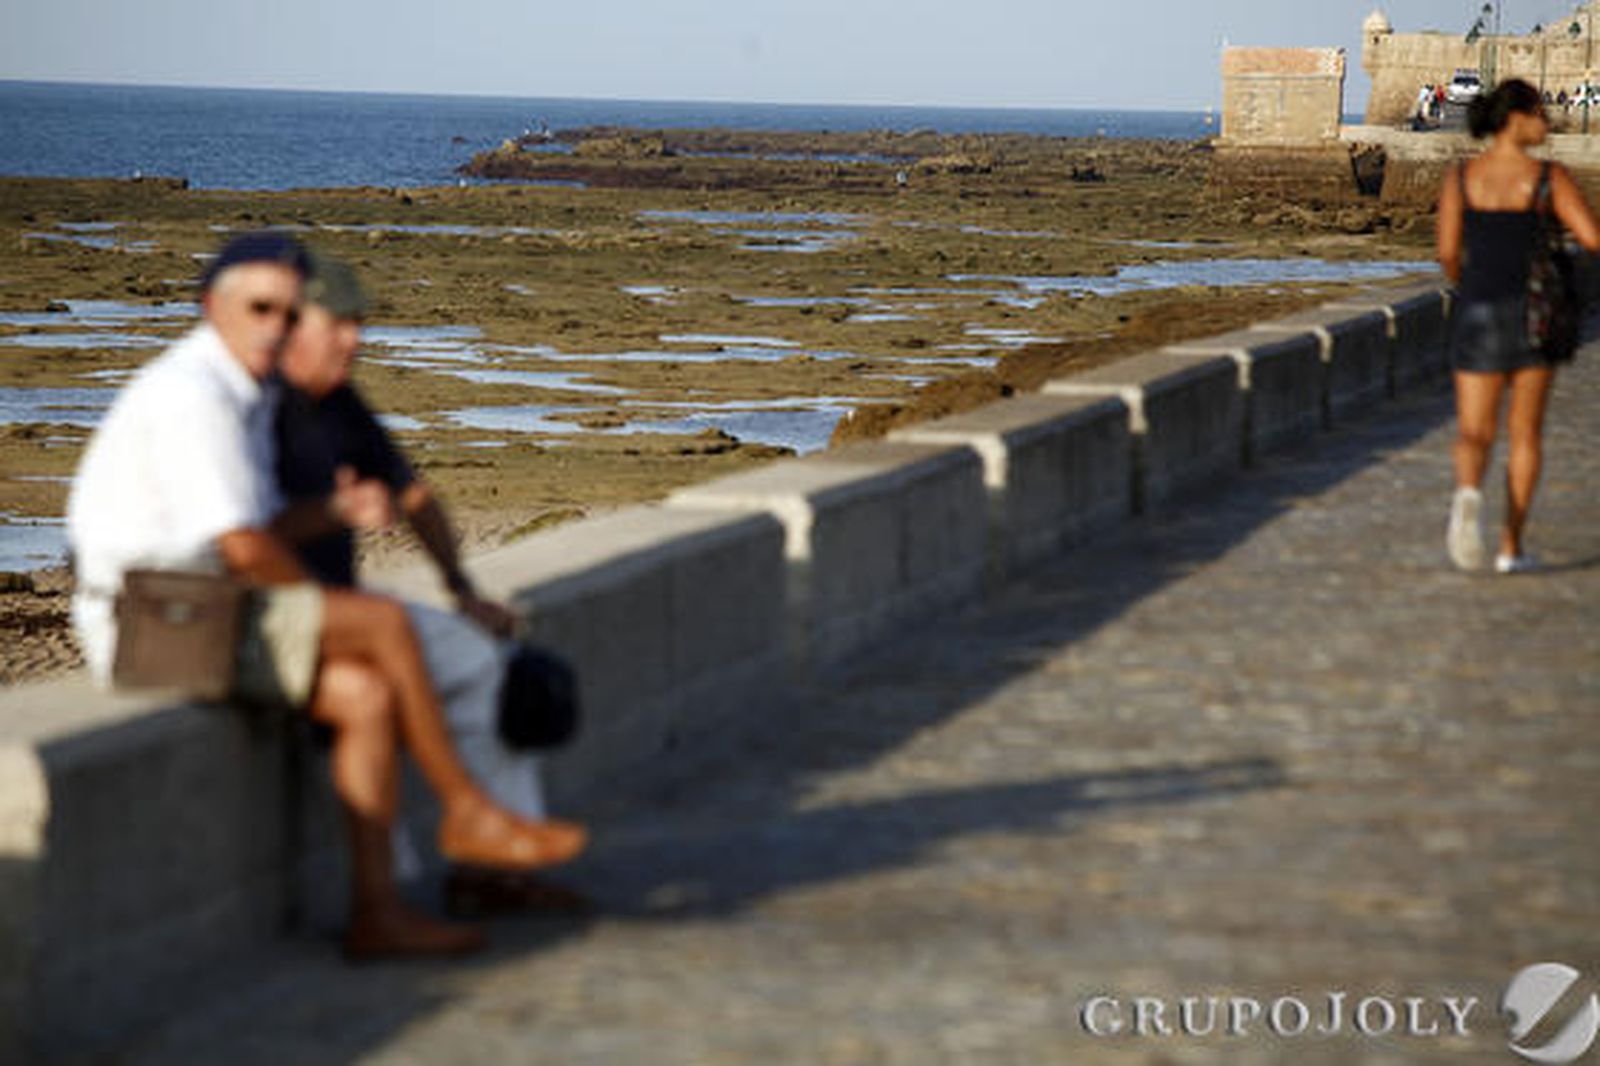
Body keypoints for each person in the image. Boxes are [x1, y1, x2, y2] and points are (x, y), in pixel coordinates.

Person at [67, 232, 587, 960]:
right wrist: (329, 611)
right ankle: (466, 811)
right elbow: (242, 545)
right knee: (378, 625)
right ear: (212, 306)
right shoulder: (197, 396)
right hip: (156, 619)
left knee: (366, 694)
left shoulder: (253, 393)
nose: (278, 329)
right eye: (265, 310)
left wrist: (343, 519)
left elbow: (271, 525)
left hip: (201, 606)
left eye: (288, 313)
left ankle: (379, 912)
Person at [273, 252, 584, 915]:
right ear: (290, 326)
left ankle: (494, 867)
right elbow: (237, 536)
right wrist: (334, 512)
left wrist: (461, 589)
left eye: (359, 324)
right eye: (338, 325)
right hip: (279, 613)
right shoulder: (257, 408)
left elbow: (413, 495)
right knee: (369, 695)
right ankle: (396, 889)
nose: (354, 340)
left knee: (497, 665)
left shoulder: (339, 403)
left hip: (346, 606)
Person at [1436, 79, 1600, 573]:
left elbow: (1448, 254)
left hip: (1478, 308)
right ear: (1516, 118)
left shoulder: (1462, 179)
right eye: (1539, 113)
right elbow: (1592, 239)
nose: (1547, 122)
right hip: (1535, 314)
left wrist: (1473, 281)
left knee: (1474, 430)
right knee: (1524, 433)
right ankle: (1510, 548)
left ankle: (1468, 495)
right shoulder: (1548, 177)